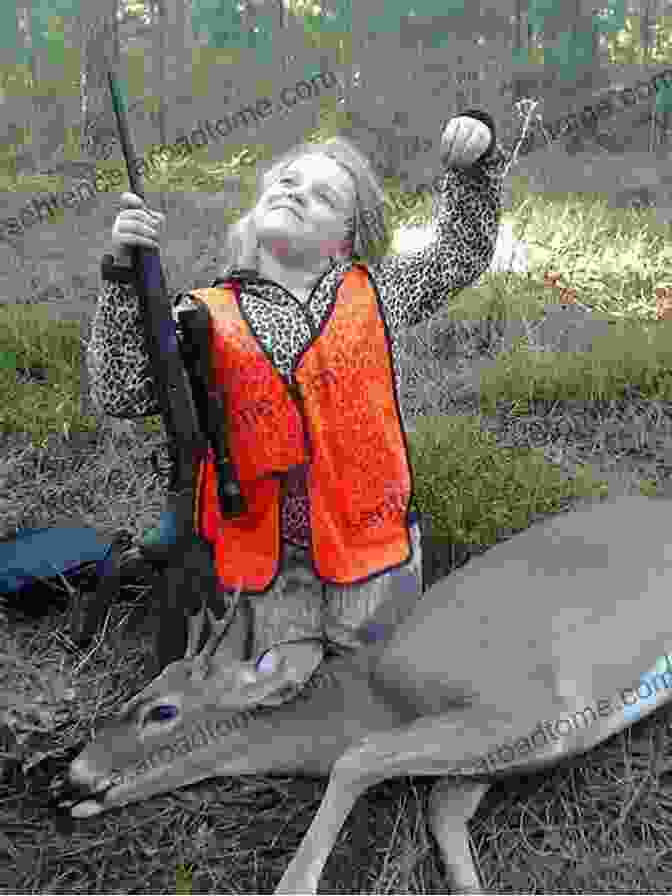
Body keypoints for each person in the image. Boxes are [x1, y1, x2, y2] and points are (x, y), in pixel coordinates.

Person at [87, 109, 506, 707]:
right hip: (267, 565)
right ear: (255, 214)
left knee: (389, 685)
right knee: (269, 697)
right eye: (286, 183)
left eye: (323, 195)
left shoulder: (378, 290)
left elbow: (458, 255)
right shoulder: (202, 315)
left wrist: (476, 163)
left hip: (373, 552)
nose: (296, 192)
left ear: (347, 238)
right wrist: (122, 276)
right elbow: (121, 389)